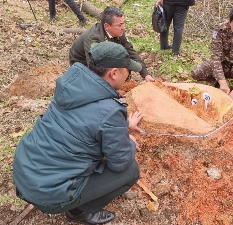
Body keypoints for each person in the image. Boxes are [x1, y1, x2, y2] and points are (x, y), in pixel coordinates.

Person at [13, 41, 145, 224]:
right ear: (114, 73)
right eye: (127, 70)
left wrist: (122, 125)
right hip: (47, 193)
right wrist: (126, 139)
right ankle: (79, 212)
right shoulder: (109, 110)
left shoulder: (72, 87)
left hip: (26, 171)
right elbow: (119, 162)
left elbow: (86, 122)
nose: (129, 74)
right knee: (130, 171)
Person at [69, 6, 155, 82]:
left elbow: (129, 51)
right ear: (107, 26)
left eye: (123, 23)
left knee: (124, 61)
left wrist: (145, 74)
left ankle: (122, 83)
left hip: (102, 55)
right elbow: (94, 66)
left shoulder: (118, 31)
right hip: (82, 63)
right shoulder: (94, 39)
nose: (123, 28)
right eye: (119, 25)